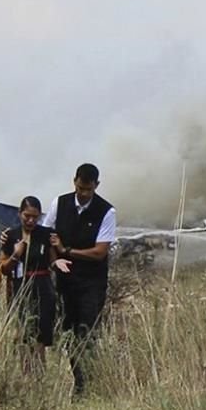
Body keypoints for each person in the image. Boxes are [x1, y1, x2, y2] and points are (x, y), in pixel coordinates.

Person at [41, 163, 117, 394]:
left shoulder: (106, 211)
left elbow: (99, 252)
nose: (83, 194)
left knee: (86, 332)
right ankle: (76, 381)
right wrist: (55, 261)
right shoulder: (60, 203)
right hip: (65, 282)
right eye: (80, 187)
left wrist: (67, 251)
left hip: (91, 284)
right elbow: (47, 235)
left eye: (88, 190)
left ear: (97, 186)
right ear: (74, 181)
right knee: (67, 332)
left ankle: (87, 385)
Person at [0, 196, 72, 369]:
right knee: (22, 333)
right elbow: (3, 268)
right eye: (27, 216)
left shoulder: (46, 234)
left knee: (40, 334)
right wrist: (16, 255)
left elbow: (52, 260)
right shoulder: (10, 236)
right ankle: (25, 373)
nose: (31, 220)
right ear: (19, 214)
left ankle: (40, 375)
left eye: (35, 217)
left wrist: (57, 263)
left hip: (42, 287)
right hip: (19, 287)